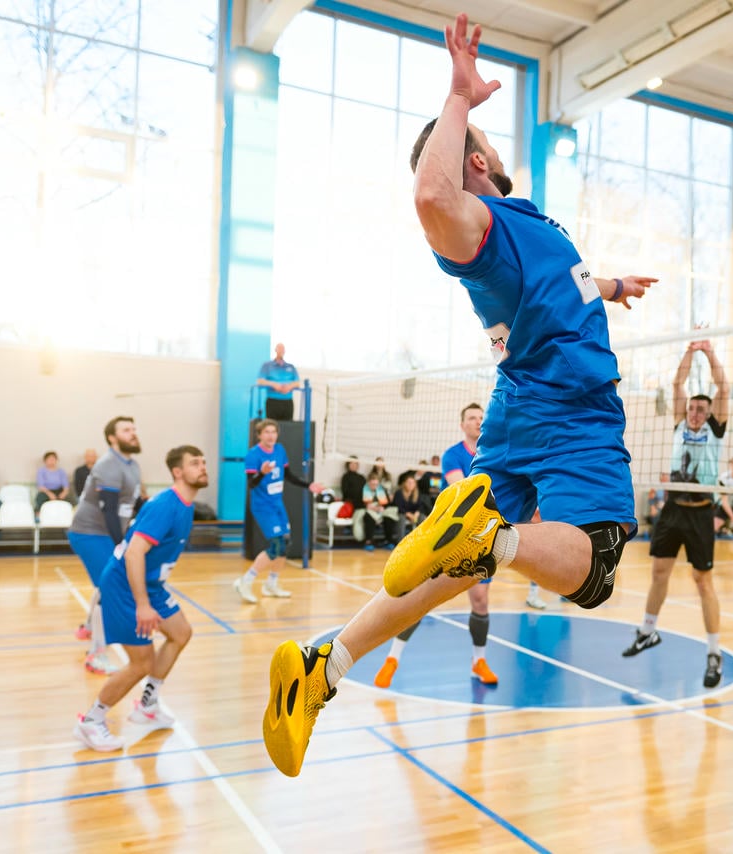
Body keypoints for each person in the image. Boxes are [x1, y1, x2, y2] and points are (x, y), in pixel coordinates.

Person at [261, 13, 654, 778]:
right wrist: (459, 97)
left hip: (519, 405)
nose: (495, 151)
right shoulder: (483, 226)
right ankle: (490, 537)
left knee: (452, 569)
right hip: (569, 404)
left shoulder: (526, 227)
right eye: (486, 145)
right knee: (596, 567)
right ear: (478, 158)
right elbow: (431, 196)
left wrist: (612, 286)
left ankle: (323, 666)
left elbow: (566, 285)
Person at [72, 445, 209, 751]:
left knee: (180, 633)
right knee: (141, 663)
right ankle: (91, 721)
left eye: (203, 462)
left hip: (151, 583)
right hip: (124, 586)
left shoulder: (186, 505)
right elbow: (134, 553)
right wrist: (143, 605)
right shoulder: (165, 505)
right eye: (195, 463)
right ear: (177, 472)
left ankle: (148, 706)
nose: (203, 467)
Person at [622, 340, 730, 688]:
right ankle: (647, 631)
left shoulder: (714, 429)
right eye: (692, 408)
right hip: (672, 511)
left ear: (710, 413)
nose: (695, 412)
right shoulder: (680, 424)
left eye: (701, 409)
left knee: (702, 581)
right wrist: (690, 350)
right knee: (658, 572)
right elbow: (677, 383)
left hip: (700, 513)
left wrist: (708, 352)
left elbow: (723, 387)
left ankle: (714, 652)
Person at [374, 403, 497, 687]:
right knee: (421, 599)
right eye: (472, 418)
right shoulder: (453, 455)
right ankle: (392, 658)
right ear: (462, 424)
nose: (477, 421)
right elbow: (466, 493)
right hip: (448, 539)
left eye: (481, 417)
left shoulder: (492, 453)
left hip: (479, 539)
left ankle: (479, 661)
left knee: (480, 600)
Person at [68, 416, 143, 675]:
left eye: (133, 429)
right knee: (110, 587)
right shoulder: (108, 465)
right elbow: (109, 510)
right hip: (90, 533)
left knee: (105, 584)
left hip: (106, 533)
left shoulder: (132, 465)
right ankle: (96, 655)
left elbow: (134, 504)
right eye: (126, 430)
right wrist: (120, 546)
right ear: (112, 438)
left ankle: (89, 627)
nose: (133, 433)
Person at [234, 419, 321, 603]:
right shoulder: (253, 455)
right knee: (276, 545)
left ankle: (271, 584)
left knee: (285, 543)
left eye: (273, 432)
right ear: (259, 435)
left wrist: (308, 485)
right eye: (266, 432)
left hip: (277, 504)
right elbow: (251, 484)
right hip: (263, 506)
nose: (271, 435)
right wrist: (262, 473)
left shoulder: (280, 450)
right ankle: (245, 581)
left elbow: (288, 475)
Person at [356, 471, 400, 550]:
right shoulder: (362, 490)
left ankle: (389, 540)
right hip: (368, 510)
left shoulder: (382, 490)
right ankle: (368, 541)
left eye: (376, 484)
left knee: (389, 517)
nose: (374, 486)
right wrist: (368, 506)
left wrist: (382, 507)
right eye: (372, 484)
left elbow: (387, 503)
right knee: (368, 517)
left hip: (381, 510)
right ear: (368, 482)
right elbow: (357, 503)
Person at [257, 342, 300, 420]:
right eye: (279, 348)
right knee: (271, 423)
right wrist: (274, 385)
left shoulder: (291, 367)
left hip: (287, 401)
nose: (281, 350)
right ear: (275, 350)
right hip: (272, 401)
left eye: (282, 349)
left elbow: (297, 383)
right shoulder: (267, 366)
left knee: (288, 424)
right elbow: (260, 381)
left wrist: (289, 387)